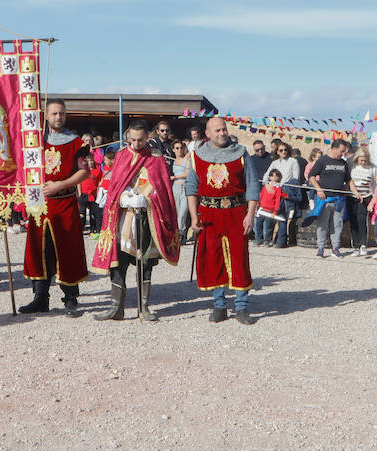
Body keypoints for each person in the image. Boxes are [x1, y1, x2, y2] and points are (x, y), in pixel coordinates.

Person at [90, 119, 180, 321]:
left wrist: (148, 198)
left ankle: (144, 307)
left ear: (148, 136)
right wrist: (120, 197)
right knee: (118, 262)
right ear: (128, 136)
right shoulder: (121, 156)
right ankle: (116, 307)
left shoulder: (156, 160)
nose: (136, 144)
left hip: (147, 218)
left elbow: (164, 190)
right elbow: (114, 186)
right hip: (123, 218)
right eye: (133, 139)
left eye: (141, 140)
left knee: (145, 262)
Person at [19, 98, 90, 316]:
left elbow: (84, 172)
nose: (58, 117)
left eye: (61, 113)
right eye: (54, 114)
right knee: (39, 249)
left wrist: (61, 184)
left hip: (65, 201)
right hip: (40, 204)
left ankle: (70, 298)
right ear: (46, 115)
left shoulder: (76, 142)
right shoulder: (35, 141)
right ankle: (40, 298)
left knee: (67, 249)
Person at [186, 116, 260, 323]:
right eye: (217, 130)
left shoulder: (241, 153)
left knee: (239, 258)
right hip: (208, 214)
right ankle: (219, 305)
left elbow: (253, 186)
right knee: (213, 258)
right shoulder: (197, 155)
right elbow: (191, 189)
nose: (222, 133)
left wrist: (250, 214)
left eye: (224, 129)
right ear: (207, 134)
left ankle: (242, 307)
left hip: (236, 212)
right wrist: (193, 217)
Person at [308, 139, 351, 259]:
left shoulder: (343, 163)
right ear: (334, 148)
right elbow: (311, 176)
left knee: (337, 224)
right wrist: (318, 189)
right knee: (322, 224)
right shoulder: (322, 160)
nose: (342, 154)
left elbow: (348, 180)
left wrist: (355, 192)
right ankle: (320, 248)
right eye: (341, 151)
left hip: (339, 199)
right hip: (324, 198)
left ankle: (335, 248)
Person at [244, 140, 273, 245]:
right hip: (255, 189)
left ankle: (266, 237)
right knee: (256, 214)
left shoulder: (271, 158)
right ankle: (257, 236)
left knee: (267, 214)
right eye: (257, 150)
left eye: (262, 149)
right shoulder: (251, 160)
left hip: (268, 190)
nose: (260, 151)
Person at [348, 147, 376, 256]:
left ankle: (363, 244)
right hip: (352, 196)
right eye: (361, 160)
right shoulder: (352, 167)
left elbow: (376, 182)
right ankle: (355, 246)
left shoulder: (372, 168)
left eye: (365, 160)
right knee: (353, 221)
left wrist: (374, 198)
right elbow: (349, 181)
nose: (363, 162)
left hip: (366, 196)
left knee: (361, 219)